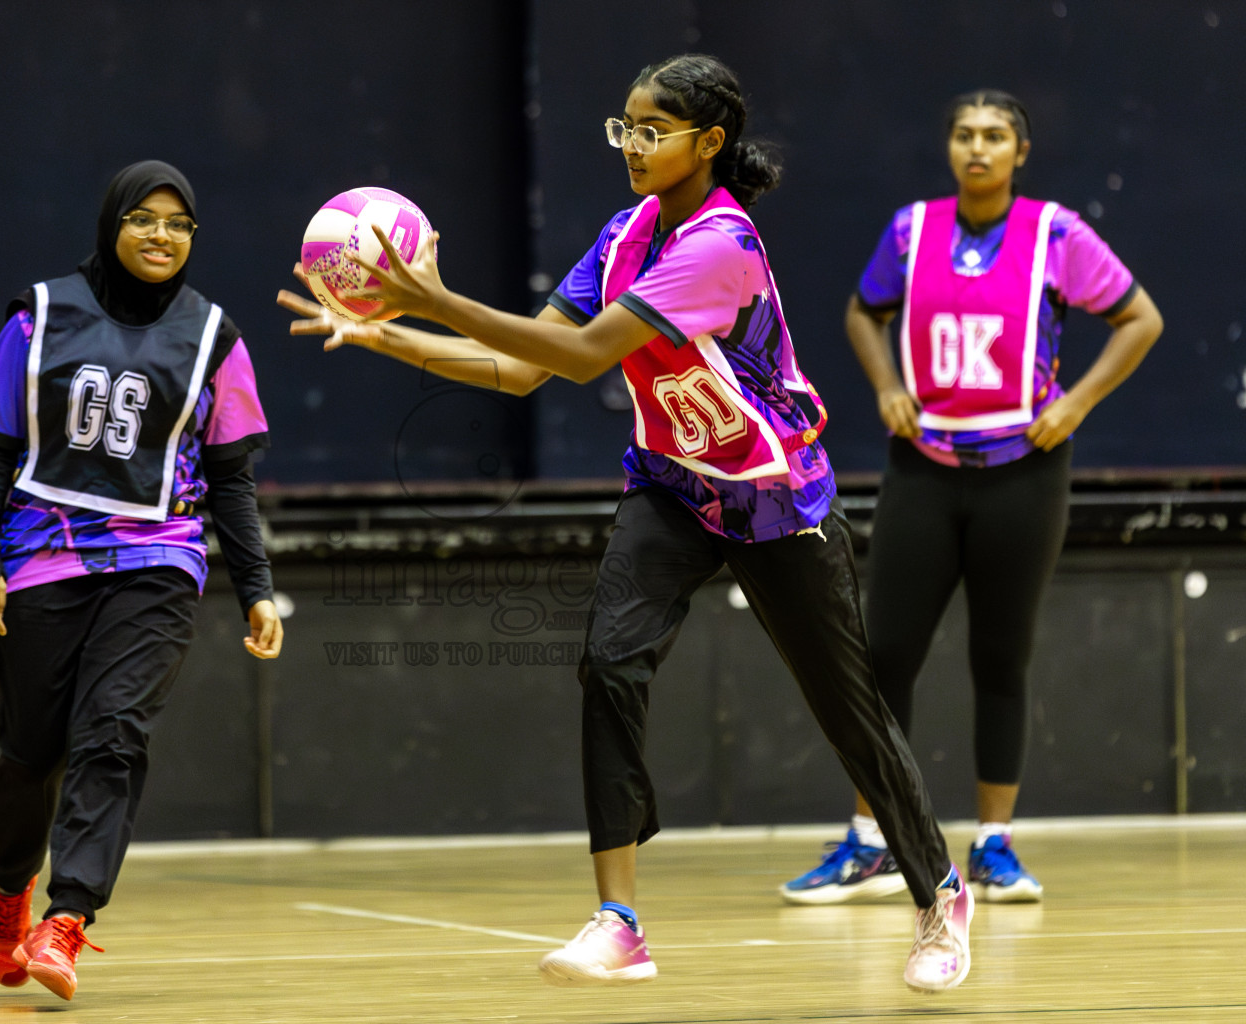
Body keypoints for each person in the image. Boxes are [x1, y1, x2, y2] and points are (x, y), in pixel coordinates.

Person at [279, 54, 972, 992]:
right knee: (608, 661)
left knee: (848, 712)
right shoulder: (626, 233)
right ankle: (619, 920)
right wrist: (391, 333)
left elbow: (576, 356)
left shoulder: (720, 246)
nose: (633, 146)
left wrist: (432, 300)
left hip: (772, 498)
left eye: (653, 130)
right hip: (672, 487)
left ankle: (938, 895)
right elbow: (520, 369)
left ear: (709, 143)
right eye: (625, 127)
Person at [782, 91, 1163, 906]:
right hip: (923, 470)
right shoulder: (911, 230)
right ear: (949, 147)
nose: (978, 148)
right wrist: (887, 384)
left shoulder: (1058, 235)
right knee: (884, 657)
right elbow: (861, 311)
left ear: (1019, 151)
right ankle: (875, 841)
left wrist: (1078, 402)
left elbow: (1140, 319)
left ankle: (994, 845)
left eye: (995, 136)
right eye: (964, 135)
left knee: (1000, 656)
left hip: (1024, 470)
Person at [0, 160, 283, 1001]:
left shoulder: (217, 339)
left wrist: (256, 585)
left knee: (115, 732)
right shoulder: (38, 317)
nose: (162, 236)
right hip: (41, 554)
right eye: (145, 219)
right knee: (30, 756)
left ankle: (66, 920)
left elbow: (233, 478)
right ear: (112, 225)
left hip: (158, 557)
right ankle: (6, 896)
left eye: (179, 224)